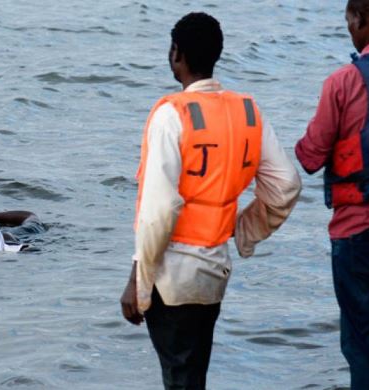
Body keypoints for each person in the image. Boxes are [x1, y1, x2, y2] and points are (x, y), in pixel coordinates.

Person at [119, 12, 301, 389]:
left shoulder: (171, 114)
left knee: (180, 379)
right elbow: (285, 186)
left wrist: (138, 283)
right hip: (215, 270)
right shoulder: (248, 111)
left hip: (172, 275)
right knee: (192, 375)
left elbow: (159, 211)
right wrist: (243, 230)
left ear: (176, 55)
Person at [295, 1, 369, 387]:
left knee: (363, 348)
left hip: (358, 234)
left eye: (349, 21)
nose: (348, 28)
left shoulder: (342, 82)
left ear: (361, 19)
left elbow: (310, 156)